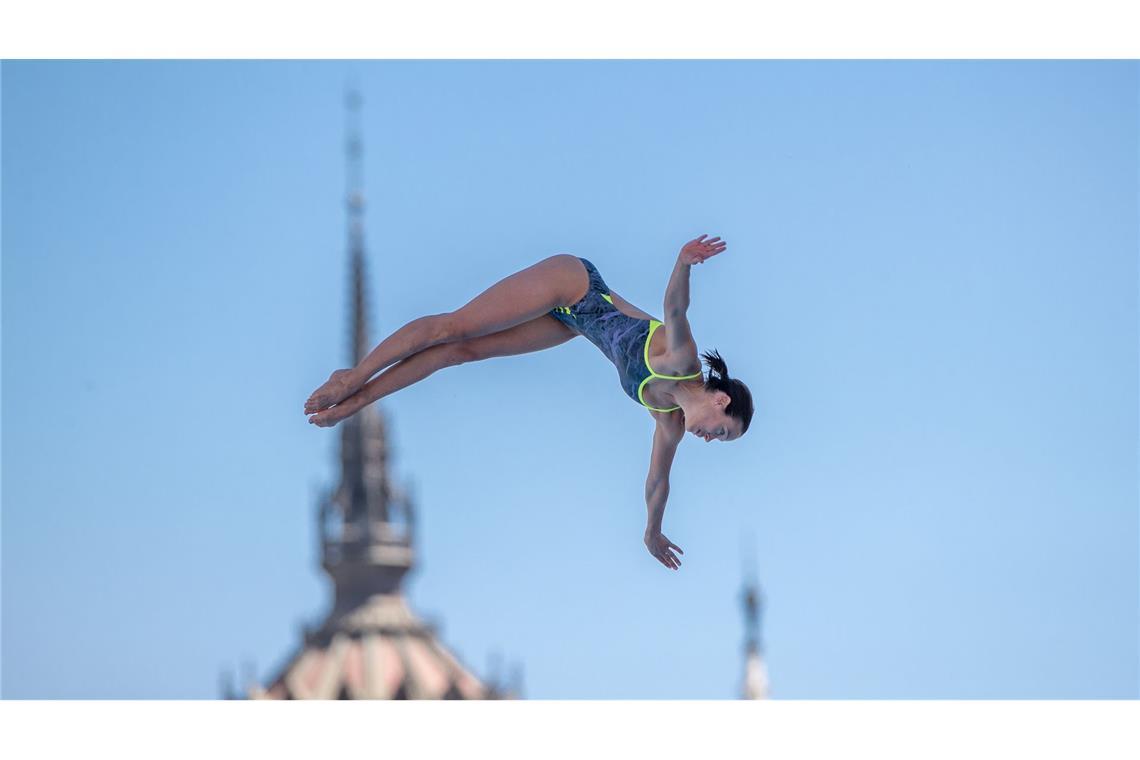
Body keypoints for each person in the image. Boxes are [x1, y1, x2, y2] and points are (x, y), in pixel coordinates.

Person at [304, 234, 754, 570]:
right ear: (720, 399)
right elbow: (675, 309)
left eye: (719, 441)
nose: (711, 439)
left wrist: (652, 532)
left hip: (570, 324)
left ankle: (357, 403)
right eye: (722, 430)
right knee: (455, 329)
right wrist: (683, 262)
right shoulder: (681, 362)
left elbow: (657, 483)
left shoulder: (668, 421)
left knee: (461, 354)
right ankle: (353, 377)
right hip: (572, 284)